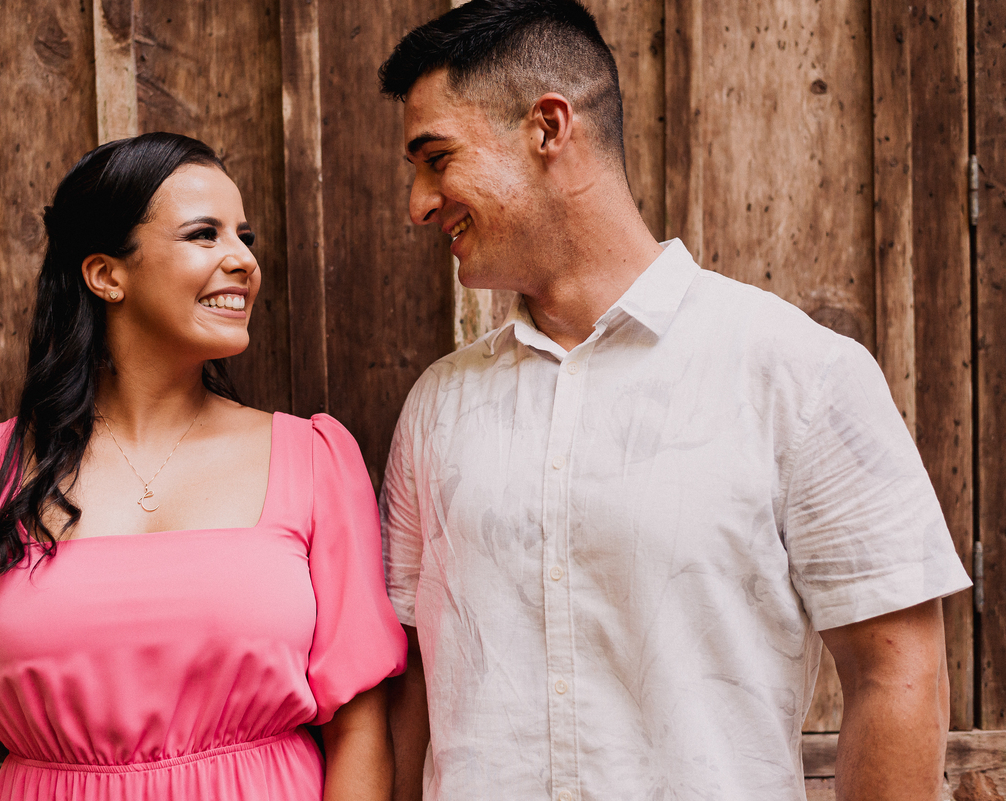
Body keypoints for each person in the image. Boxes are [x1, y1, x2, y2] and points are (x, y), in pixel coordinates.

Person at [376, 2, 971, 800]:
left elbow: (897, 673)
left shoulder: (799, 375)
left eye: (437, 158)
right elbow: (413, 687)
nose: (418, 202)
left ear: (549, 128)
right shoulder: (437, 410)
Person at [0, 132, 406, 801]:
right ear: (106, 275)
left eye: (244, 237)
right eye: (204, 234)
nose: (244, 260)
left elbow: (360, 731)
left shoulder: (317, 460)